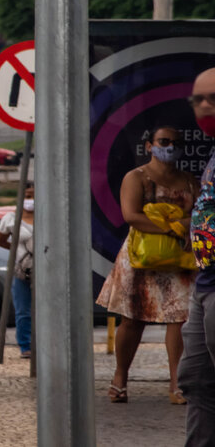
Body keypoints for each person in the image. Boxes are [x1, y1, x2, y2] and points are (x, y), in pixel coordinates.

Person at [97, 126, 197, 405]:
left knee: (180, 318)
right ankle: (120, 379)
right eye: (164, 141)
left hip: (179, 258)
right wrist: (173, 227)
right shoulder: (136, 177)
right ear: (149, 146)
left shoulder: (189, 181)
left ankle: (177, 384)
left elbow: (201, 214)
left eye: (175, 143)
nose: (170, 147)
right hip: (142, 257)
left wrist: (183, 226)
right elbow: (131, 215)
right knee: (133, 318)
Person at [178, 69, 215, 443]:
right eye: (197, 100)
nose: (204, 107)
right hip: (205, 283)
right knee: (196, 381)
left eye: (214, 99)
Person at [0, 182, 36, 359]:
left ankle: (45, 345)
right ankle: (25, 346)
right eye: (27, 196)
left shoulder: (47, 215)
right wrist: (18, 253)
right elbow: (1, 240)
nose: (30, 200)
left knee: (48, 311)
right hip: (21, 271)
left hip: (45, 271)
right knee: (23, 311)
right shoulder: (11, 218)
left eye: (33, 195)